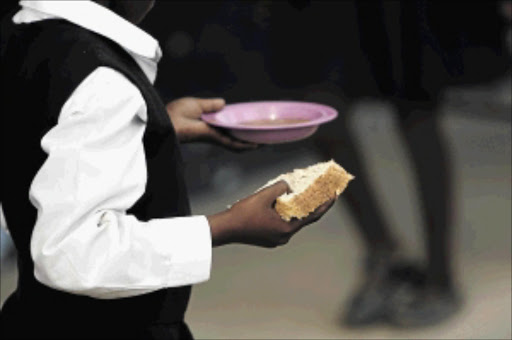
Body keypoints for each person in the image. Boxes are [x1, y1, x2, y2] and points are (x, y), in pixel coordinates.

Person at [0, 1, 334, 339]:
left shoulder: (24, 33)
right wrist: (224, 227)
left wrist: (152, 129)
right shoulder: (102, 83)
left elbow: (40, 146)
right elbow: (72, 254)